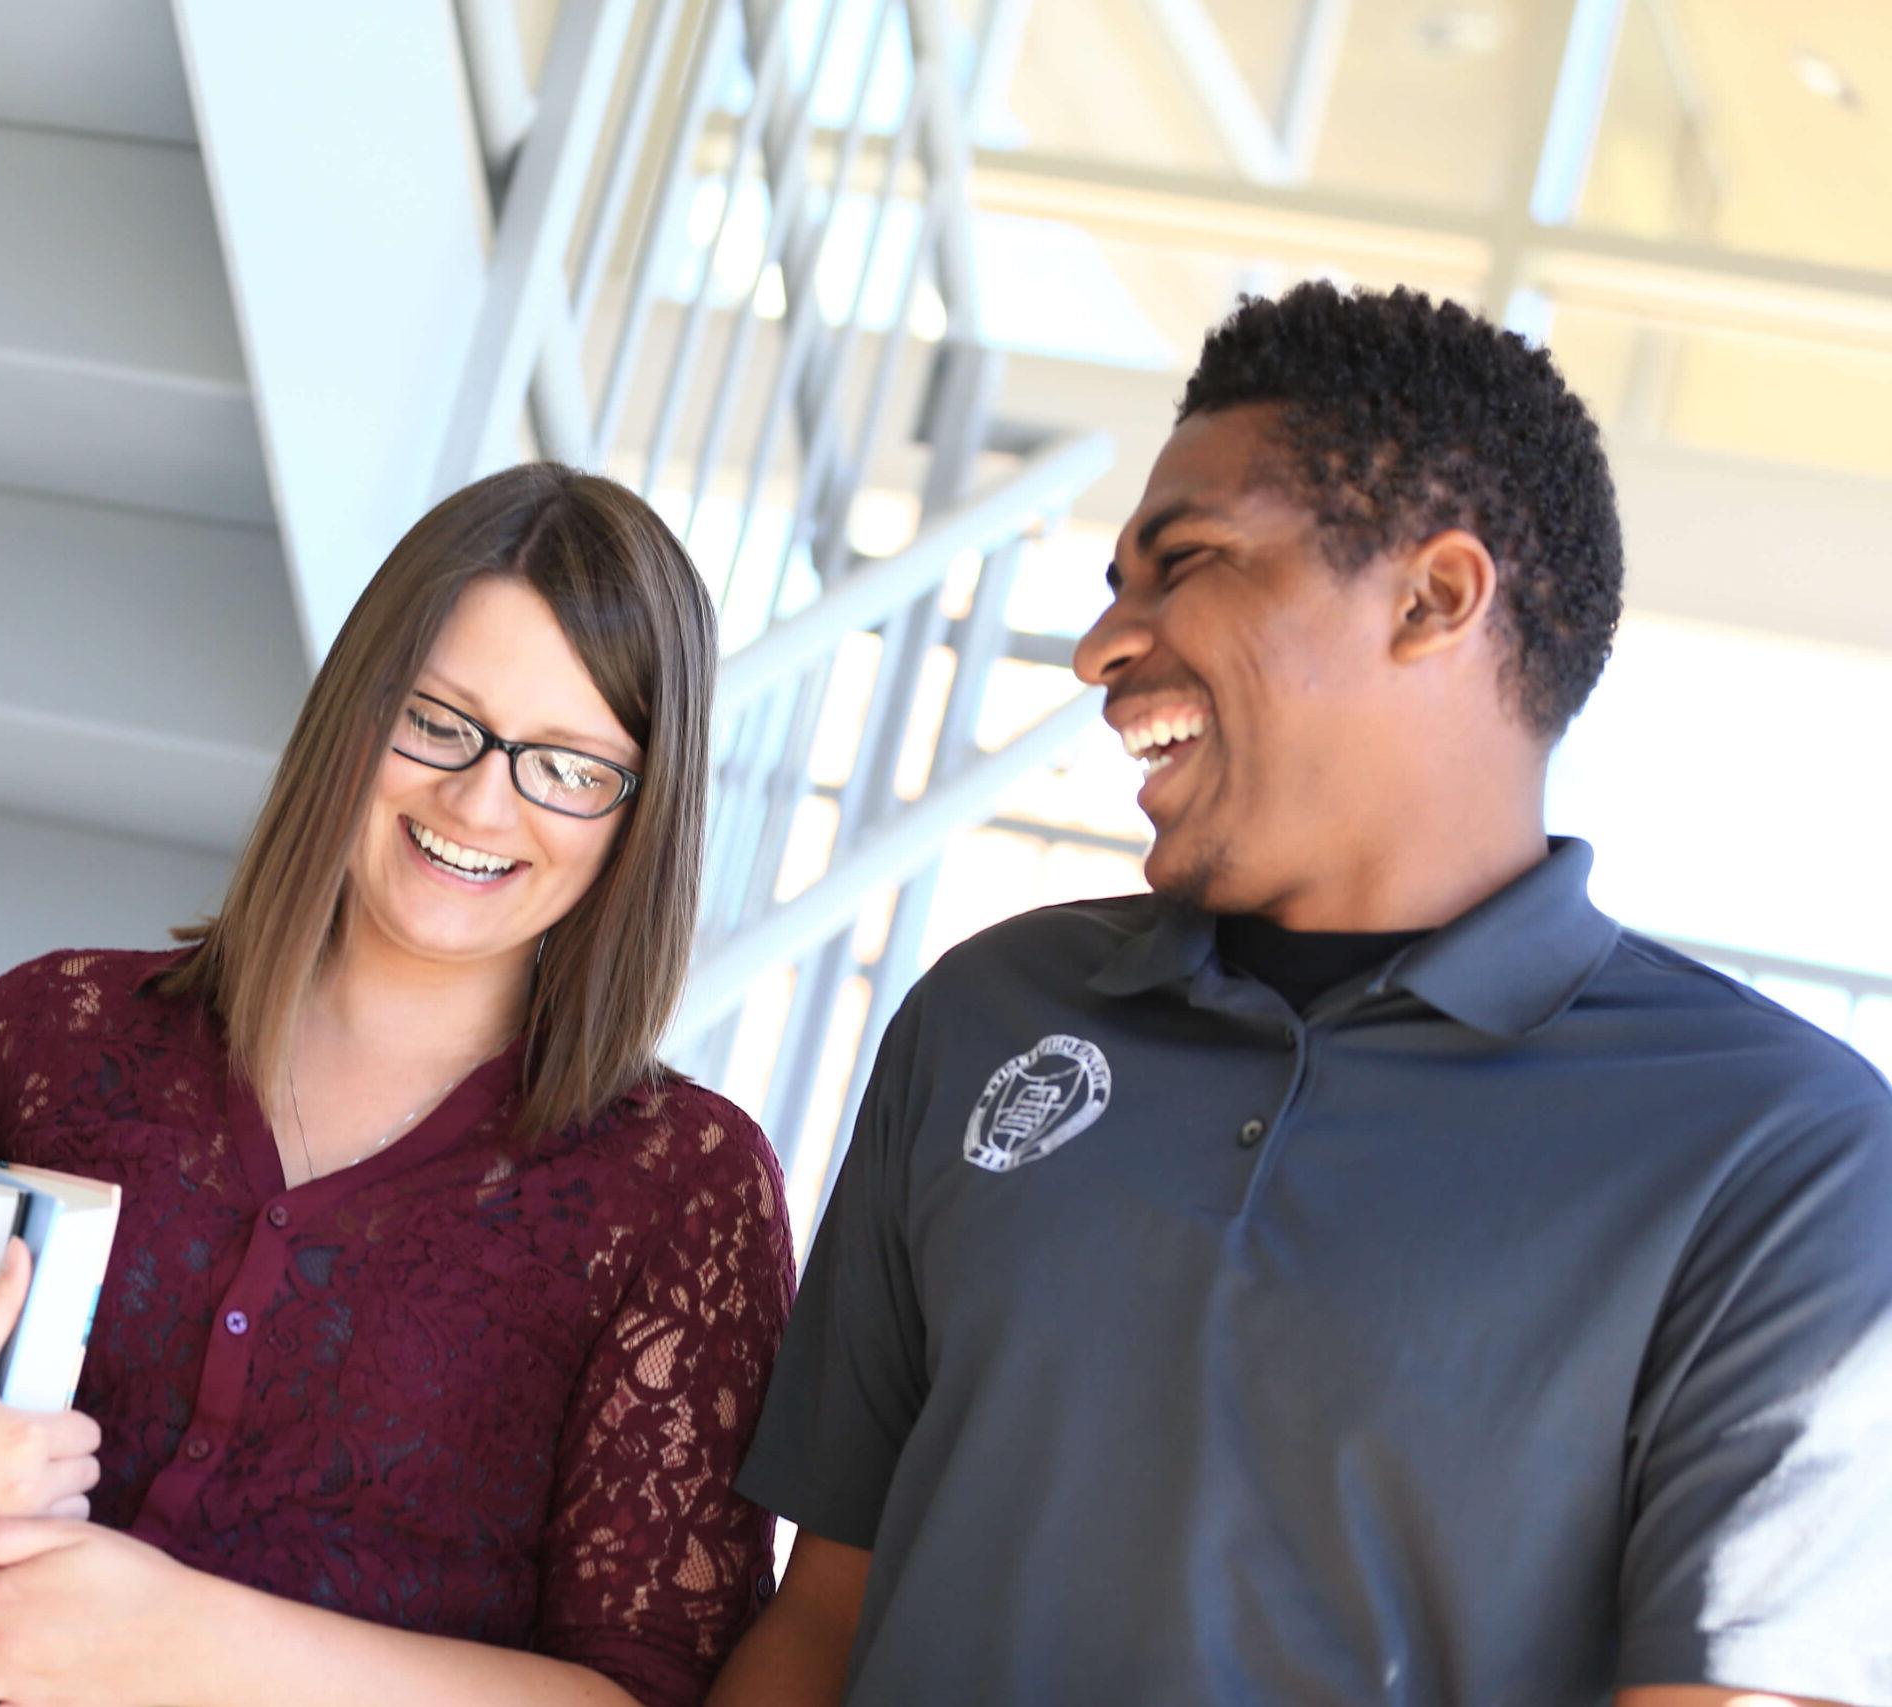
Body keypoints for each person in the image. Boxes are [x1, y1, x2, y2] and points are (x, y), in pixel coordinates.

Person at [710, 283, 1892, 1707]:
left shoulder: (1785, 1153)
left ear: (1433, 596)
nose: (1101, 648)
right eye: (1112, 590)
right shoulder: (987, 1017)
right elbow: (822, 1620)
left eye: (1184, 562)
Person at [0, 462, 798, 1707]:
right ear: (357, 711)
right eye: (437, 720)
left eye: (568, 766)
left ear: (640, 812)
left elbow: (653, 1694)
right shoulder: (54, 1031)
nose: (477, 798)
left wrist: (186, 1646)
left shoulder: (680, 1190)